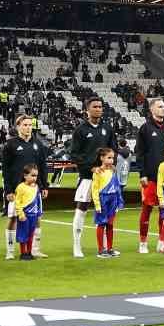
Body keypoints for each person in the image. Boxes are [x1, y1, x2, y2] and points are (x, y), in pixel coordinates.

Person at [69, 97, 118, 259]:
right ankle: (77, 246)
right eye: (95, 106)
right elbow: (74, 154)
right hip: (87, 177)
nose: (98, 109)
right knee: (81, 209)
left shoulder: (107, 129)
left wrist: (111, 165)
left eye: (100, 106)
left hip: (105, 178)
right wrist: (90, 167)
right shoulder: (81, 130)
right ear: (87, 110)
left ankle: (105, 248)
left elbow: (113, 149)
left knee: (106, 210)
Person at [0, 115, 52, 260]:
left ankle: (34, 249)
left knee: (36, 219)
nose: (28, 127)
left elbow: (42, 166)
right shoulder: (10, 145)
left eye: (30, 125)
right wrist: (9, 190)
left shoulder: (38, 145)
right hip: (16, 189)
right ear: (18, 127)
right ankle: (10, 251)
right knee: (12, 218)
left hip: (35, 190)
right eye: (25, 125)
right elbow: (6, 169)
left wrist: (44, 186)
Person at [133, 97, 164, 255]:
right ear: (152, 109)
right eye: (160, 106)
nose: (163, 109)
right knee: (147, 208)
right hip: (151, 177)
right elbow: (139, 153)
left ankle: (161, 241)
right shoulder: (145, 129)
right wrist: (142, 174)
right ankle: (143, 242)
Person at [91, 147, 123, 258]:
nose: (111, 160)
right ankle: (101, 250)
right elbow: (94, 189)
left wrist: (119, 201)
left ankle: (109, 248)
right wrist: (97, 204)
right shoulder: (98, 172)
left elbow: (117, 186)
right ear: (102, 158)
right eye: (108, 158)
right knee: (101, 224)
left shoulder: (113, 170)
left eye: (112, 158)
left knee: (110, 224)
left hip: (112, 200)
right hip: (103, 199)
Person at [12, 164, 44, 261]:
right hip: (25, 215)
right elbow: (17, 202)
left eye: (36, 176)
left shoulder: (36, 187)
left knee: (30, 235)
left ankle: (29, 252)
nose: (35, 178)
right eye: (32, 175)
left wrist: (39, 213)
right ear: (25, 176)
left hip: (33, 216)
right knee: (23, 235)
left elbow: (38, 201)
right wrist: (20, 214)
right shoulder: (20, 187)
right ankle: (23, 253)